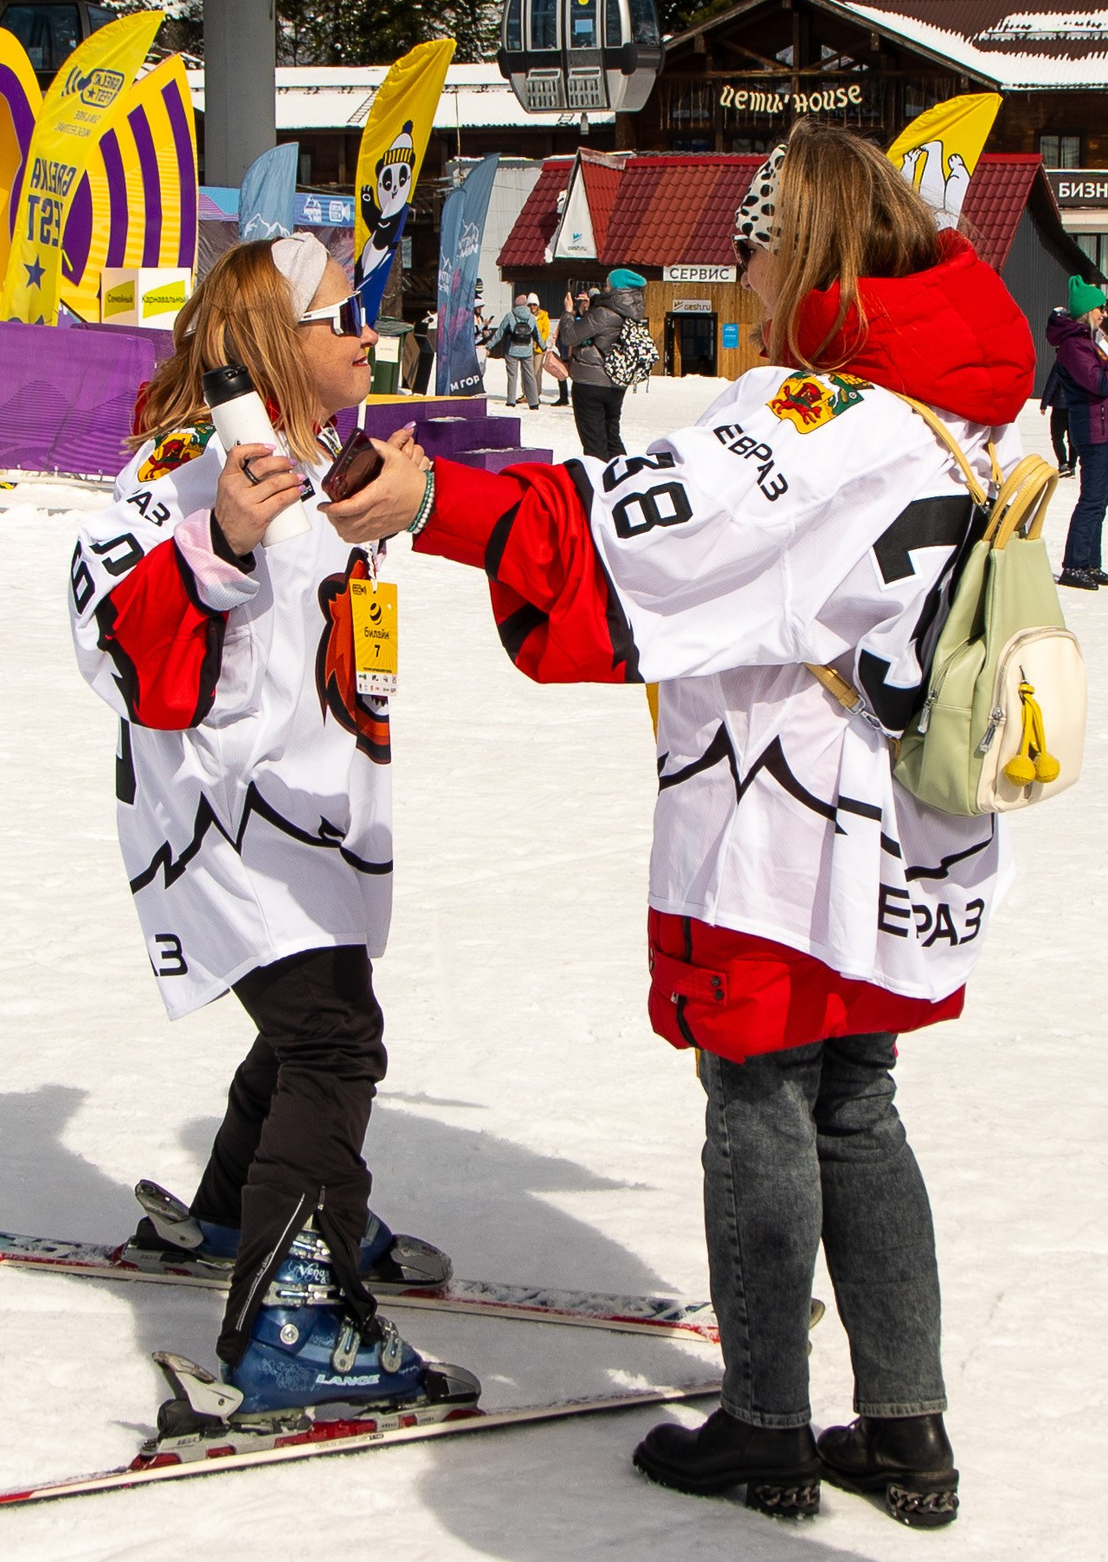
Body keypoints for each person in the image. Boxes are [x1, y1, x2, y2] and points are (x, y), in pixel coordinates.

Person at [324, 122, 1032, 1529]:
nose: (742, 272)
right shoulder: (968, 395)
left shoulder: (825, 416)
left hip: (785, 821)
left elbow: (637, 529)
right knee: (860, 1101)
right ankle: (907, 1423)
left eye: (754, 245)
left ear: (804, 250)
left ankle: (766, 1422)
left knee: (759, 1100)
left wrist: (438, 500)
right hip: (907, 813)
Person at [67, 234, 458, 1424]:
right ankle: (291, 1315)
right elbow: (107, 628)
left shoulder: (310, 450)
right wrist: (218, 540)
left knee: (306, 1026)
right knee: (332, 1039)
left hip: (307, 806)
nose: (365, 334)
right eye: (341, 315)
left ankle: (252, 1201)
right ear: (269, 339)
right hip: (226, 820)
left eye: (369, 311)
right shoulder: (192, 461)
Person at [1043, 276, 1108, 589]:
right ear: (1086, 312)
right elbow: (1097, 383)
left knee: (1100, 500)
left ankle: (1090, 562)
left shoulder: (1087, 342)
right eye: (1099, 308)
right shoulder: (1074, 345)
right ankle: (1074, 564)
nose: (1103, 314)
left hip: (1102, 428)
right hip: (1092, 431)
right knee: (1092, 499)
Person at [564, 267, 649, 457]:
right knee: (612, 438)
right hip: (617, 382)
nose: (605, 286)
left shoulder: (604, 312)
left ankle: (598, 483)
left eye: (608, 283)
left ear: (616, 287)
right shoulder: (634, 311)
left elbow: (570, 337)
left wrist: (569, 313)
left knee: (594, 444)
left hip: (591, 382)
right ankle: (624, 480)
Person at [502, 294, 544, 407]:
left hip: (512, 350)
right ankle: (534, 402)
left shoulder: (510, 316)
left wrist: (489, 346)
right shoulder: (531, 317)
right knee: (530, 376)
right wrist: (543, 347)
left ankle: (511, 401)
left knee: (512, 375)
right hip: (527, 350)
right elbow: (537, 334)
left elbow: (500, 333)